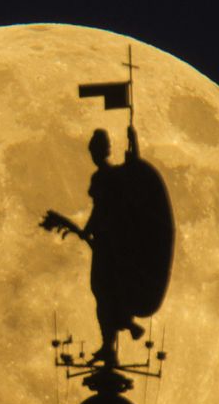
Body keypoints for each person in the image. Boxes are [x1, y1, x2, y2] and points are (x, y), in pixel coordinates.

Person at [41, 127, 165, 365]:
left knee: (105, 291)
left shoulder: (108, 177)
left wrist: (134, 146)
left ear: (100, 151)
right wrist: (87, 231)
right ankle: (115, 337)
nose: (93, 154)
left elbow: (126, 193)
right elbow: (100, 209)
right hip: (105, 243)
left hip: (111, 245)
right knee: (103, 292)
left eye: (95, 149)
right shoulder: (106, 177)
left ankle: (117, 336)